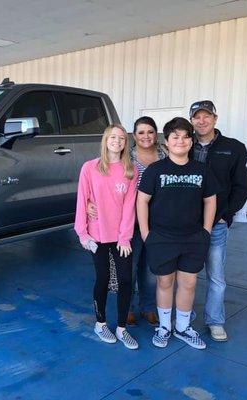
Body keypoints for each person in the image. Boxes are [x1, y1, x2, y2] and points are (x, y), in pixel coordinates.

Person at [137, 117, 217, 350]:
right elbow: (142, 200)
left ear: (191, 142)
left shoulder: (201, 170)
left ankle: (182, 328)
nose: (180, 141)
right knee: (164, 281)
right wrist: (145, 233)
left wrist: (206, 231)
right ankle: (164, 327)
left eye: (185, 137)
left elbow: (210, 200)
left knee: (189, 283)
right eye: (175, 137)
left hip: (193, 237)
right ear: (167, 142)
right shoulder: (155, 170)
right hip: (161, 237)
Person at [87, 117, 164, 326]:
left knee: (149, 270)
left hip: (158, 221)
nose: (146, 136)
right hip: (131, 222)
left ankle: (148, 307)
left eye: (150, 131)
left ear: (156, 134)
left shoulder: (165, 154)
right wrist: (88, 204)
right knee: (129, 268)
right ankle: (127, 308)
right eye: (140, 132)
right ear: (134, 136)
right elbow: (102, 187)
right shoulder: (125, 157)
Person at [189, 100, 247, 341]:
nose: (202, 121)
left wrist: (227, 215)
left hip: (216, 224)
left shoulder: (234, 148)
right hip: (188, 224)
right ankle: (186, 316)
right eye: (197, 117)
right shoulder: (183, 144)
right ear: (192, 120)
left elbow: (243, 186)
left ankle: (215, 321)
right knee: (187, 274)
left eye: (207, 116)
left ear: (215, 118)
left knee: (216, 275)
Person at [74, 124, 139, 350]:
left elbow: (130, 207)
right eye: (113, 137)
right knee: (102, 278)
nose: (117, 141)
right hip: (97, 235)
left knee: (125, 280)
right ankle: (101, 323)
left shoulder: (130, 170)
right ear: (105, 140)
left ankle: (122, 328)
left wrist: (124, 237)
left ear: (125, 143)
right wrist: (82, 232)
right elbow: (82, 201)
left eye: (122, 138)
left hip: (120, 236)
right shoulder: (90, 168)